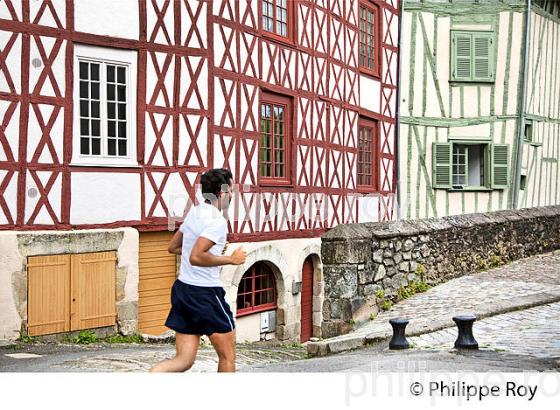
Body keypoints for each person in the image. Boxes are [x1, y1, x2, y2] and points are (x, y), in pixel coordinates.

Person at [150, 168, 246, 373]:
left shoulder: (196, 211)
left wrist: (213, 252)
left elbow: (174, 247)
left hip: (183, 289)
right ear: (222, 193)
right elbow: (196, 256)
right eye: (231, 191)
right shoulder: (217, 221)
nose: (233, 195)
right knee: (227, 357)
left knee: (184, 360)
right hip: (206, 294)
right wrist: (230, 259)